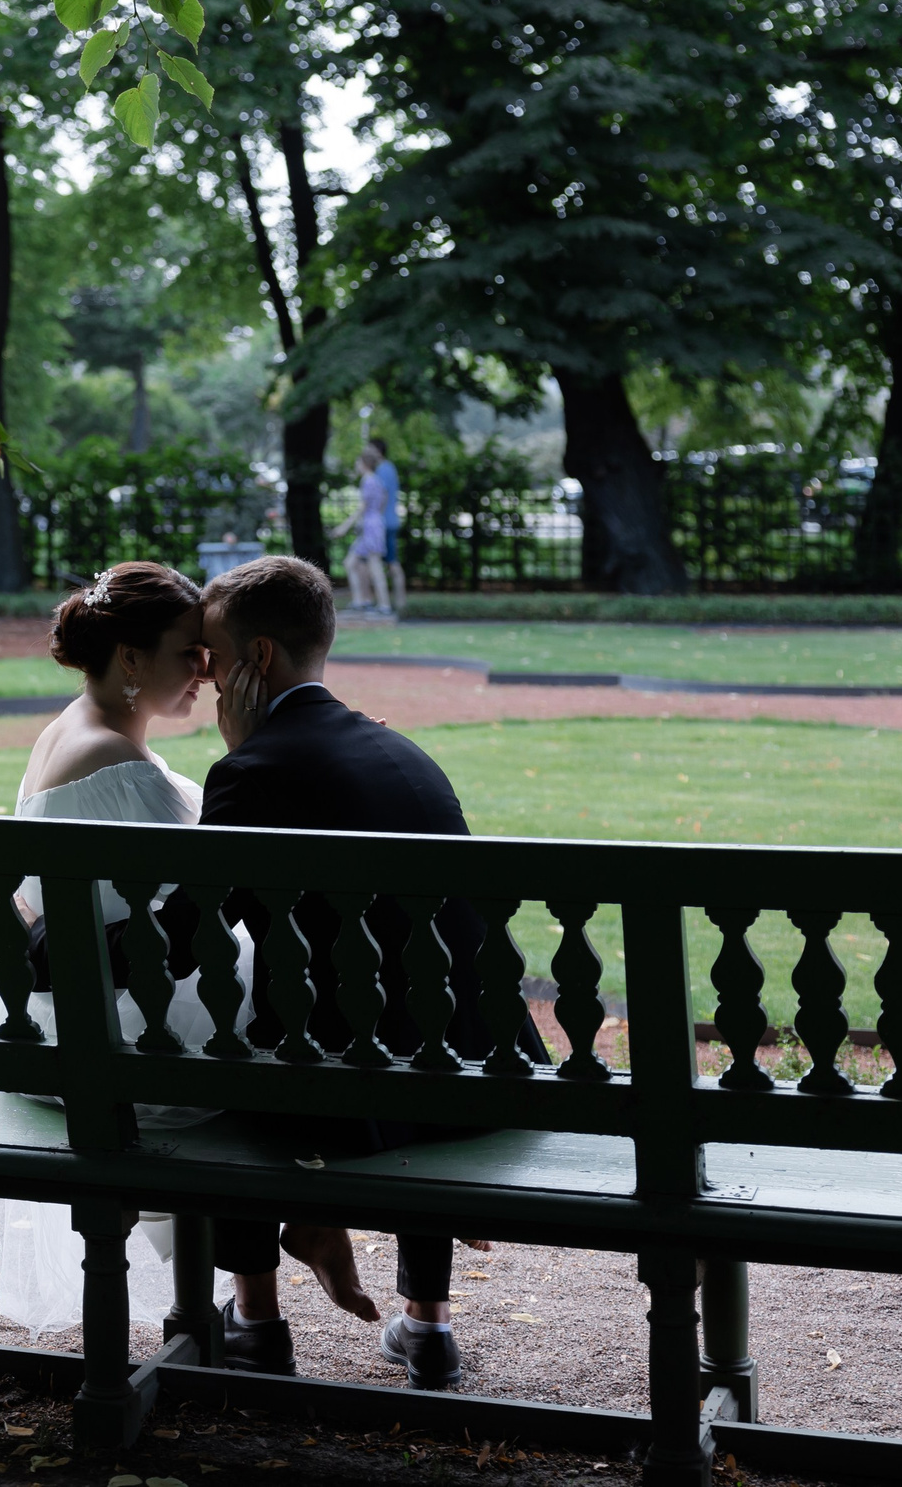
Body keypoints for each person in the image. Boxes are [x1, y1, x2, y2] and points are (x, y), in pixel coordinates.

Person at [0, 561, 374, 1338]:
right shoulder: (116, 763)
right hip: (113, 1024)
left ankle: (268, 1293)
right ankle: (319, 1221)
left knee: (274, 990)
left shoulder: (77, 730)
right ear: (131, 657)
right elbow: (216, 895)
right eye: (188, 652)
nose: (207, 669)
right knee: (305, 999)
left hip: (66, 1006)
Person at [182, 554, 541, 1390]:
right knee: (409, 1009)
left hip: (346, 1092)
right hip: (479, 1064)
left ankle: (256, 1321)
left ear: (258, 657)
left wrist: (244, 751)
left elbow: (193, 935)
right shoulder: (404, 751)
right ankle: (428, 1324)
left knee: (219, 1061)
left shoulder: (250, 771)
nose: (206, 676)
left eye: (214, 656)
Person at [333, 441, 392, 616]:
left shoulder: (368, 480)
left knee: (375, 567)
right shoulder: (376, 481)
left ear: (365, 464)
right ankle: (360, 602)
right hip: (372, 526)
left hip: (371, 528)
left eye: (358, 463)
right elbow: (383, 501)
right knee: (350, 562)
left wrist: (344, 527)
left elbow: (362, 508)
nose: (356, 465)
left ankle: (384, 606)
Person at [371, 436, 407, 614]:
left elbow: (383, 496)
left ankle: (393, 604)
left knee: (388, 563)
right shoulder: (389, 467)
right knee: (390, 562)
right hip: (390, 521)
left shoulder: (382, 469)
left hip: (385, 522)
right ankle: (399, 603)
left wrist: (375, 519)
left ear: (378, 451)